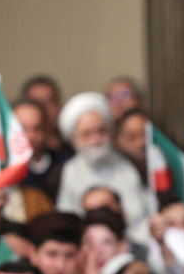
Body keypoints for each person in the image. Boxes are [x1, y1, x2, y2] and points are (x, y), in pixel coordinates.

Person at [55, 93, 151, 243]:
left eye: (101, 131)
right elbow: (67, 219)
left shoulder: (127, 164)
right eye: (87, 134)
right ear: (73, 139)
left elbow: (144, 211)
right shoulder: (69, 171)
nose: (96, 139)